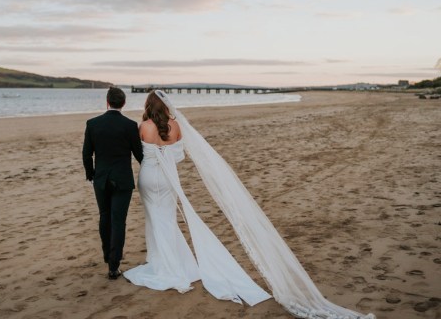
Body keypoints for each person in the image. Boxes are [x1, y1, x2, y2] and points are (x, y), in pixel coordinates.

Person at [124, 90, 375, 319]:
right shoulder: (176, 126)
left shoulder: (143, 126)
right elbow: (177, 156)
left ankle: (163, 265)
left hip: (148, 178)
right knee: (167, 219)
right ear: (166, 105)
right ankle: (173, 265)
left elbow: (142, 153)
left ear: (148, 105)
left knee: (155, 219)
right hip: (169, 181)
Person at [82, 87, 143, 279]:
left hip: (101, 179)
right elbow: (139, 155)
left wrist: (91, 174)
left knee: (104, 216)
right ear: (123, 103)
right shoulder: (130, 125)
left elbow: (86, 153)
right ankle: (113, 266)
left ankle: (107, 256)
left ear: (107, 102)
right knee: (118, 221)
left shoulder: (93, 124)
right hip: (122, 180)